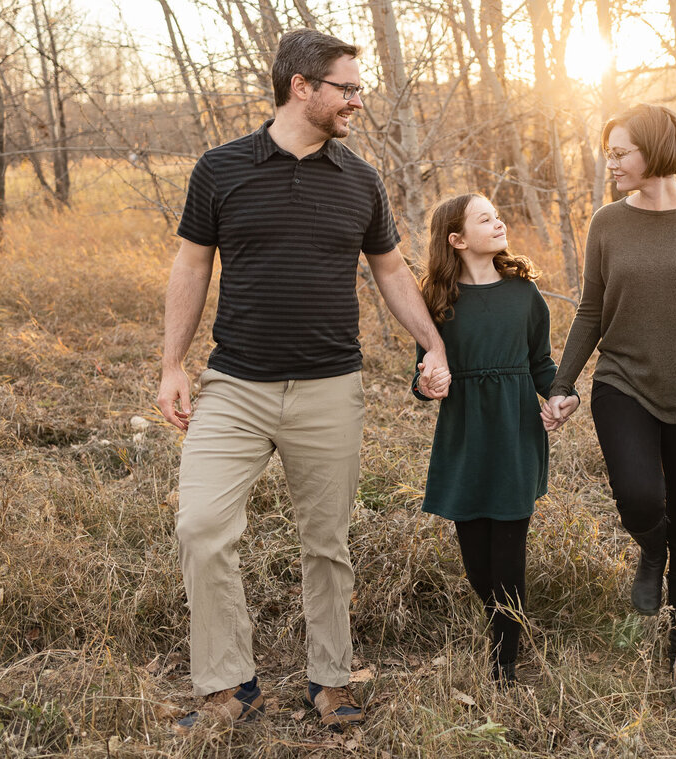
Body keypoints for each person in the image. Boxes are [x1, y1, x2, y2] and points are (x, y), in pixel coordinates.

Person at [155, 29, 449, 732]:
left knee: (328, 540)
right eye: (347, 88)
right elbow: (192, 265)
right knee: (200, 525)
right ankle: (230, 686)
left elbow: (390, 271)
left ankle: (330, 677)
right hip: (234, 384)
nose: (358, 101)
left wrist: (433, 341)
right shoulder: (221, 169)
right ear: (301, 86)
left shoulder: (361, 179)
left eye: (359, 89)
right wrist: (171, 365)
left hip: (328, 387)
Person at [541, 104, 676, 692]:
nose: (610, 164)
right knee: (638, 496)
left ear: (654, 151)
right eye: (608, 154)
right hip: (623, 382)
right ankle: (649, 549)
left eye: (619, 152)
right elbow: (590, 310)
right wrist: (563, 383)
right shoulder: (608, 222)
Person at [412, 193, 577, 684]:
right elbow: (422, 373)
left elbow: (541, 364)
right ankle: (498, 620)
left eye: (499, 215)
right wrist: (427, 382)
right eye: (485, 219)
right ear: (457, 240)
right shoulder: (436, 300)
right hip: (463, 433)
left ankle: (505, 659)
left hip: (513, 430)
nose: (499, 221)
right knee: (476, 556)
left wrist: (562, 397)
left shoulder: (524, 294)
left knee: (508, 545)